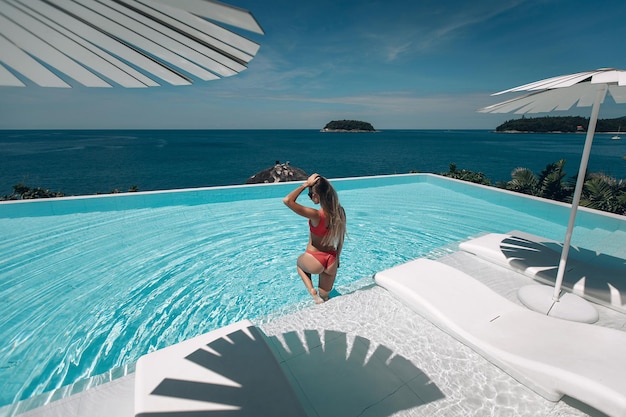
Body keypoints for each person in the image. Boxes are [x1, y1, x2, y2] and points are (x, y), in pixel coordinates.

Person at [283, 173, 346, 304]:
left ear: (316, 195)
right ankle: (322, 298)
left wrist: (305, 184)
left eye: (310, 195)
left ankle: (312, 291)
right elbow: (341, 239)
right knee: (326, 298)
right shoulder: (340, 212)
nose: (311, 198)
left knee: (299, 264)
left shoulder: (316, 215)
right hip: (332, 260)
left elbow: (287, 200)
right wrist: (338, 257)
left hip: (315, 259)